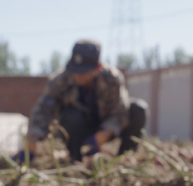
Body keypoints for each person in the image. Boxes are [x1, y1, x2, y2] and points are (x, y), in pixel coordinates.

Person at [18, 39, 148, 162]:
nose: (77, 75)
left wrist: (105, 133)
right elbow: (43, 110)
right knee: (70, 116)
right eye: (75, 69)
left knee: (138, 109)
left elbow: (120, 111)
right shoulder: (60, 80)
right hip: (77, 129)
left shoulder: (112, 79)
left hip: (107, 126)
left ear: (98, 68)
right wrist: (32, 141)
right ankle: (76, 158)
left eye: (83, 71)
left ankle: (124, 157)